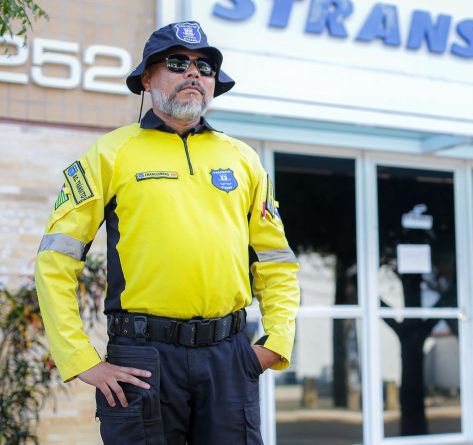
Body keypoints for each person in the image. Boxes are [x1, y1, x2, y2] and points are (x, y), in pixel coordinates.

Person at [34, 21, 300, 444]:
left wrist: (276, 340)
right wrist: (80, 358)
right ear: (147, 78)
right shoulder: (109, 153)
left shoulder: (244, 159)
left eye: (205, 67)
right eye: (177, 63)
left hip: (229, 358)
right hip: (142, 361)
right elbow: (55, 259)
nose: (194, 73)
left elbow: (275, 261)